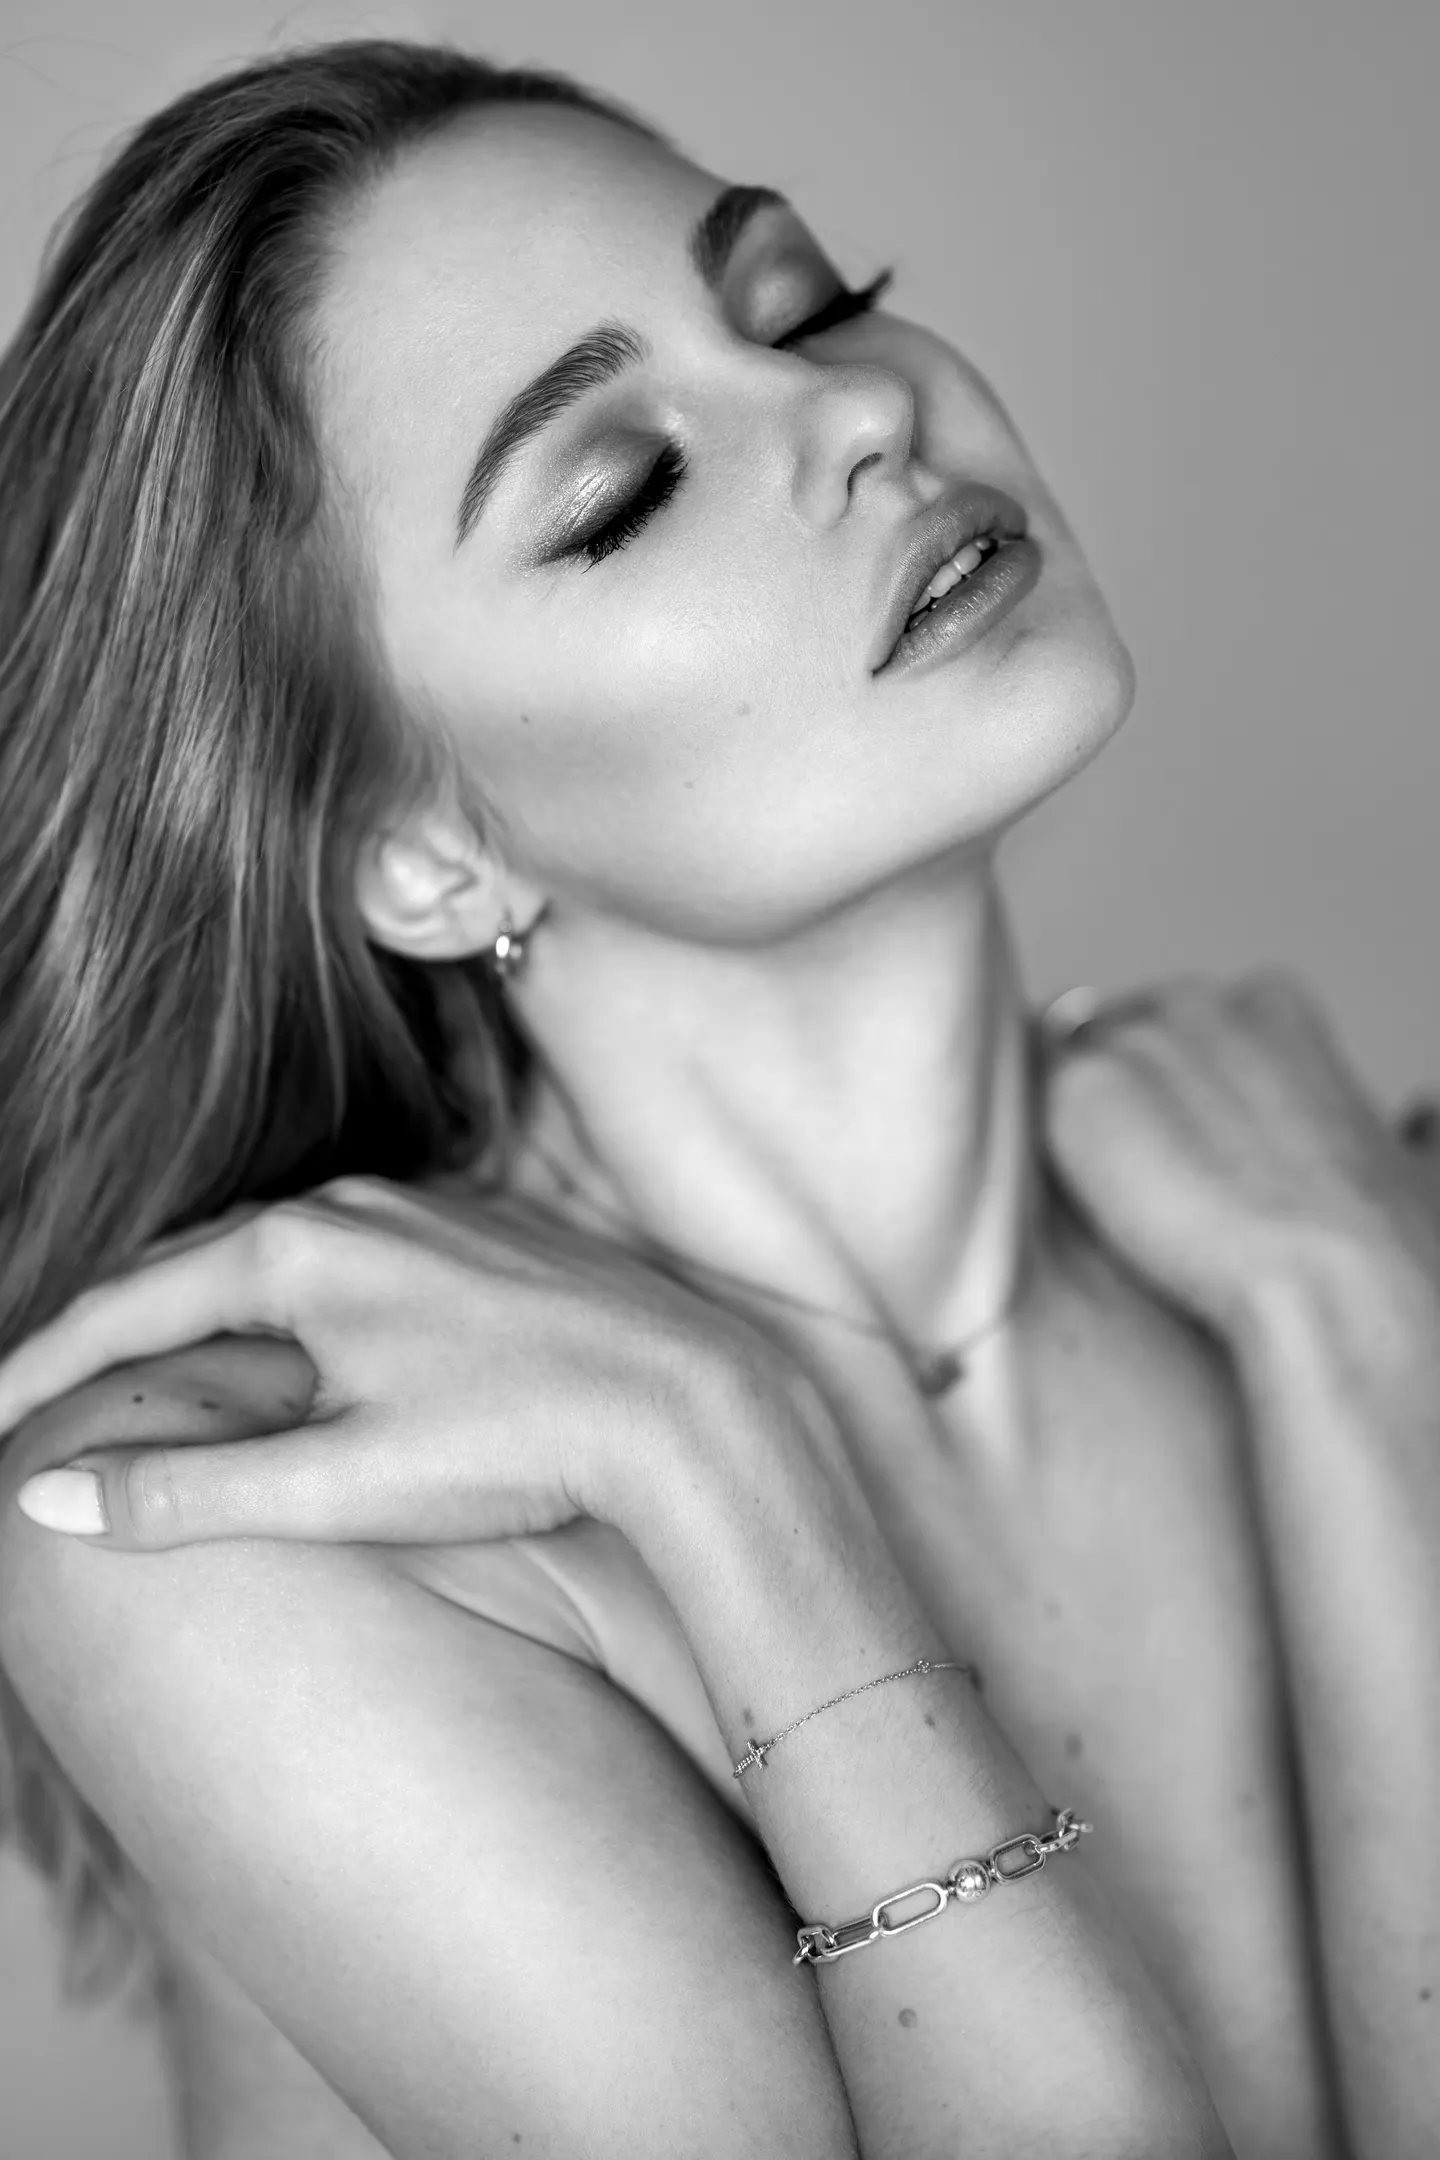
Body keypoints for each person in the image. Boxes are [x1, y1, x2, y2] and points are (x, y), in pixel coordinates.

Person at [0, 35, 1436, 2160]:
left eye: (813, 305)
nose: (864, 412)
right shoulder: (242, 1512)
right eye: (623, 490)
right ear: (424, 851)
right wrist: (727, 1464)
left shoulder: (1359, 1243)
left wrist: (1360, 1321)